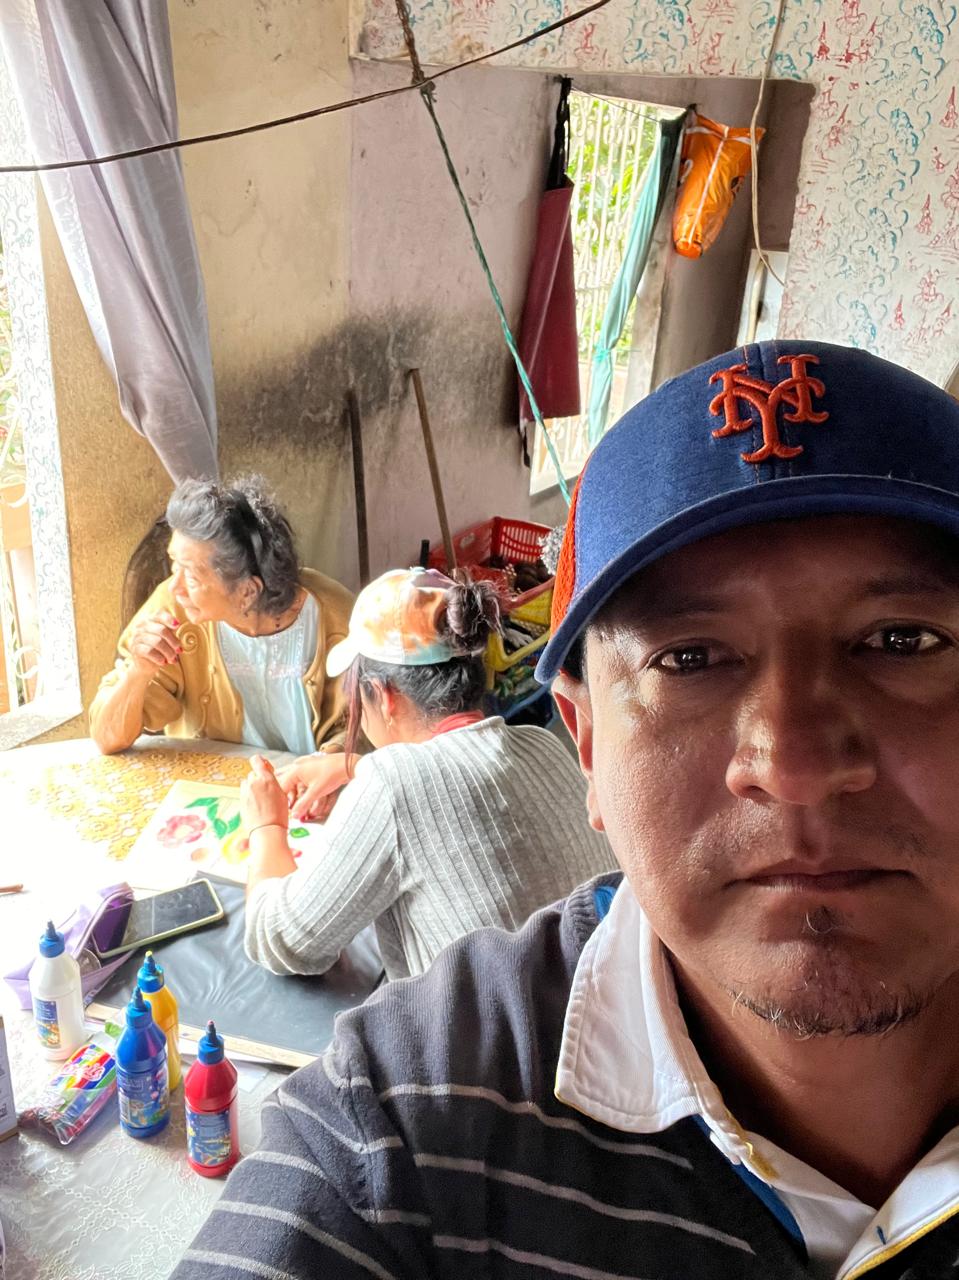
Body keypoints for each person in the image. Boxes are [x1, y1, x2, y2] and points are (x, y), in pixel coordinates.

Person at [170, 340, 959, 1280]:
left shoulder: (384, 769)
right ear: (582, 742)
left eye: (902, 641)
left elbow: (287, 938)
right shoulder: (400, 1123)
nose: (792, 766)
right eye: (688, 659)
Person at [239, 567, 611, 980]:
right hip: (594, 1006)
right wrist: (353, 767)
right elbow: (459, 795)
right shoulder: (541, 744)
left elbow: (282, 940)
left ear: (384, 696)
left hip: (495, 1024)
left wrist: (266, 826)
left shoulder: (392, 785)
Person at [89, 477, 355, 756]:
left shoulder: (336, 617)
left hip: (309, 781)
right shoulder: (173, 610)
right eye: (174, 564)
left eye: (192, 576)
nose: (175, 587)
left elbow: (370, 727)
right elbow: (107, 739)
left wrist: (328, 761)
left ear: (247, 591)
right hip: (216, 783)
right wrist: (139, 671)